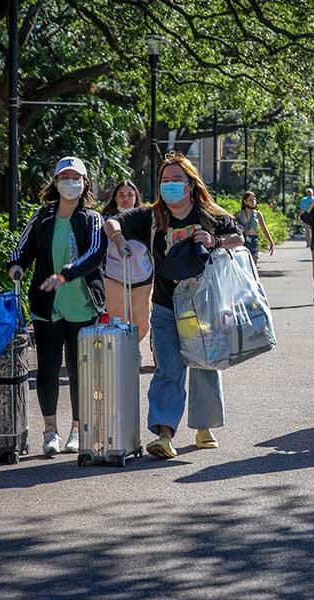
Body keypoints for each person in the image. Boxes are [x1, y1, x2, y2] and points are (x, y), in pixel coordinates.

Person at [104, 151, 244, 459]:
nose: (169, 186)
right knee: (168, 367)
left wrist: (215, 242)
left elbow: (239, 237)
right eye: (165, 181)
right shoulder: (152, 216)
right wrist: (118, 240)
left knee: (205, 364)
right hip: (166, 305)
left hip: (204, 305)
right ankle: (165, 433)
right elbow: (113, 221)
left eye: (176, 180)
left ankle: (204, 426)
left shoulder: (209, 213)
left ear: (190, 184)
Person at [8, 156, 107, 456]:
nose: (70, 181)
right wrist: (16, 265)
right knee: (48, 368)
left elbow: (94, 253)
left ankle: (78, 429)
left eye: (75, 176)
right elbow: (23, 248)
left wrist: (66, 273)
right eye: (64, 176)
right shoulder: (42, 217)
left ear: (85, 182)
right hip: (47, 307)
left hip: (83, 306)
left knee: (80, 370)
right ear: (55, 182)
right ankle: (50, 430)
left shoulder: (92, 219)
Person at [101, 180, 153, 341]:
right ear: (115, 198)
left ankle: (131, 348)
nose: (125, 198)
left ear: (136, 197)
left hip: (142, 276)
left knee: (142, 323)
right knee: (118, 320)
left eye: (130, 195)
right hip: (114, 275)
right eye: (121, 195)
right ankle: (121, 354)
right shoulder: (105, 220)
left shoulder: (146, 219)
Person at [235, 190, 275, 263]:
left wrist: (271, 241)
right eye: (250, 200)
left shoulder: (258, 214)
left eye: (254, 199)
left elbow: (264, 229)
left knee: (254, 262)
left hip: (253, 240)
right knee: (243, 262)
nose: (253, 201)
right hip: (242, 240)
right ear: (245, 201)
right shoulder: (239, 214)